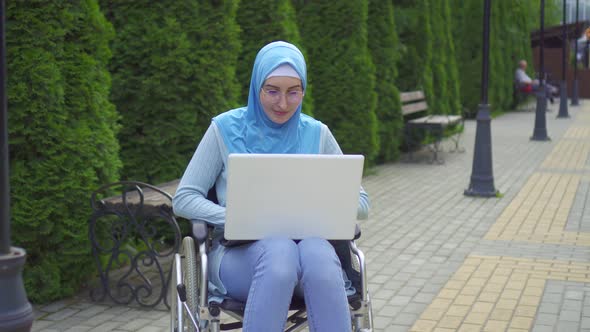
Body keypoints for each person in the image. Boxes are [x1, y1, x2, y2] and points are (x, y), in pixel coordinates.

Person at [172, 41, 370, 332]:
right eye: (272, 91)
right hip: (238, 256)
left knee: (318, 252)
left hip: (309, 260)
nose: (283, 103)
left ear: (303, 90)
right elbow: (184, 198)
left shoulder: (317, 134)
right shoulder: (225, 129)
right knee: (280, 253)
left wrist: (323, 206)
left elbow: (362, 203)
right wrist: (240, 218)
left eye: (294, 92)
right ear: (256, 86)